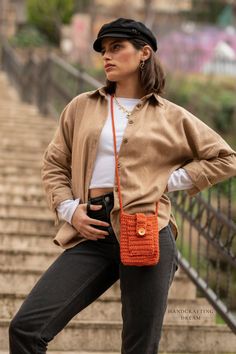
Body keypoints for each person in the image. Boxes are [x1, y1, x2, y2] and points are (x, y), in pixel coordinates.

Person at [9, 17, 236, 354]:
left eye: (117, 47)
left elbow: (224, 159)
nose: (107, 56)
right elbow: (54, 164)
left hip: (148, 230)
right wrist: (69, 209)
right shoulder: (81, 107)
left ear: (144, 53)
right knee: (26, 328)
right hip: (93, 229)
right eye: (103, 50)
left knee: (139, 348)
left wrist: (163, 181)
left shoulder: (171, 116)